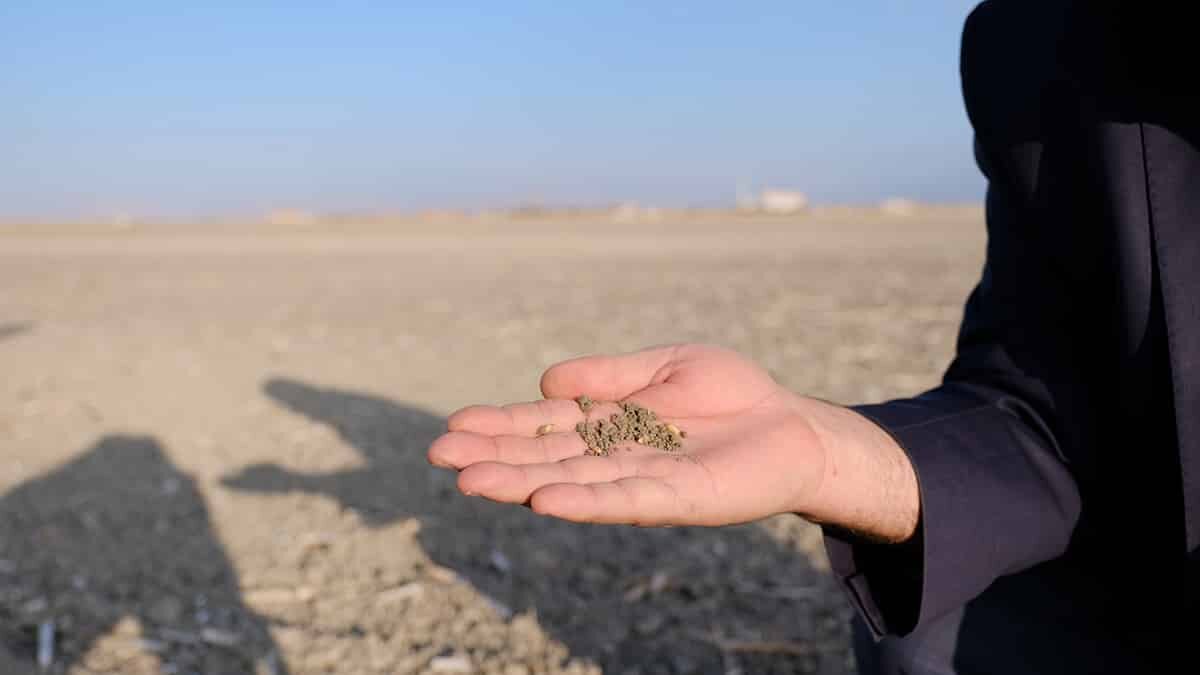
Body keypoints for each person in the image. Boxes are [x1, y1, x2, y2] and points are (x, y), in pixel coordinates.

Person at [428, 2, 1197, 672]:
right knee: (930, 636)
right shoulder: (1038, 44)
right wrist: (831, 452)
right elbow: (1043, 407)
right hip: (1158, 570)